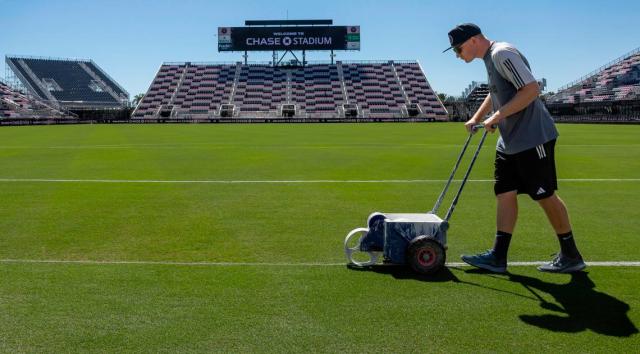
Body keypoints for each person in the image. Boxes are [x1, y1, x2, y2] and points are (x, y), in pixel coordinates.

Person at [443, 23, 586, 273]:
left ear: (474, 40)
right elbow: (495, 92)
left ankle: (571, 255)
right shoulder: (489, 58)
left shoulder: (502, 54)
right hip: (509, 142)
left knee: (544, 194)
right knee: (504, 192)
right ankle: (498, 257)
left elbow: (531, 90)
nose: (457, 54)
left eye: (458, 48)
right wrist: (477, 118)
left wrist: (496, 117)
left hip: (533, 138)